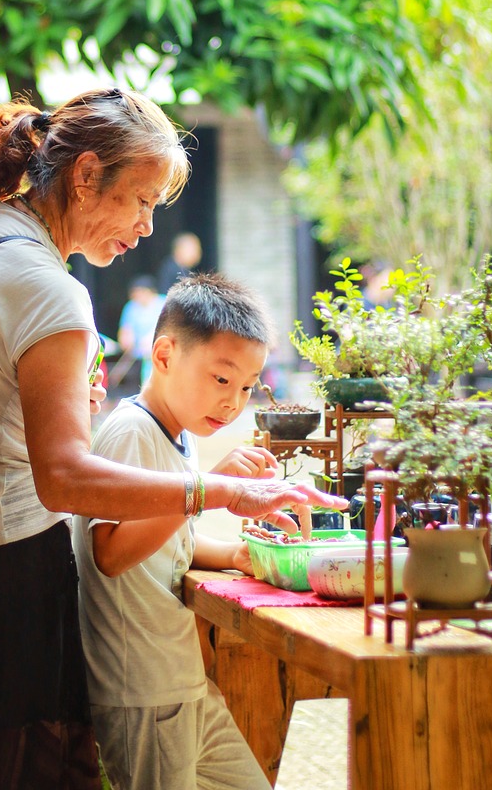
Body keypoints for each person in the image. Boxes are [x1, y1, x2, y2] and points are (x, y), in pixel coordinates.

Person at [0, 88, 345, 790]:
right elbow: (64, 479)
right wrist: (227, 489)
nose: (144, 228)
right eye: (139, 201)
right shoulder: (47, 289)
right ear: (83, 176)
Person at [73, 272, 347, 790]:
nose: (233, 401)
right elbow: (109, 553)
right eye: (221, 380)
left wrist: (236, 556)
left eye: (246, 387)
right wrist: (212, 485)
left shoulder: (178, 434)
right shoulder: (131, 431)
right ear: (165, 355)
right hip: (142, 688)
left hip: (182, 682)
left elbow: (167, 544)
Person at [117, 275, 166, 385]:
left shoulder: (164, 303)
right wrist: (127, 339)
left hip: (161, 350)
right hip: (138, 356)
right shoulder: (131, 307)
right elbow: (125, 331)